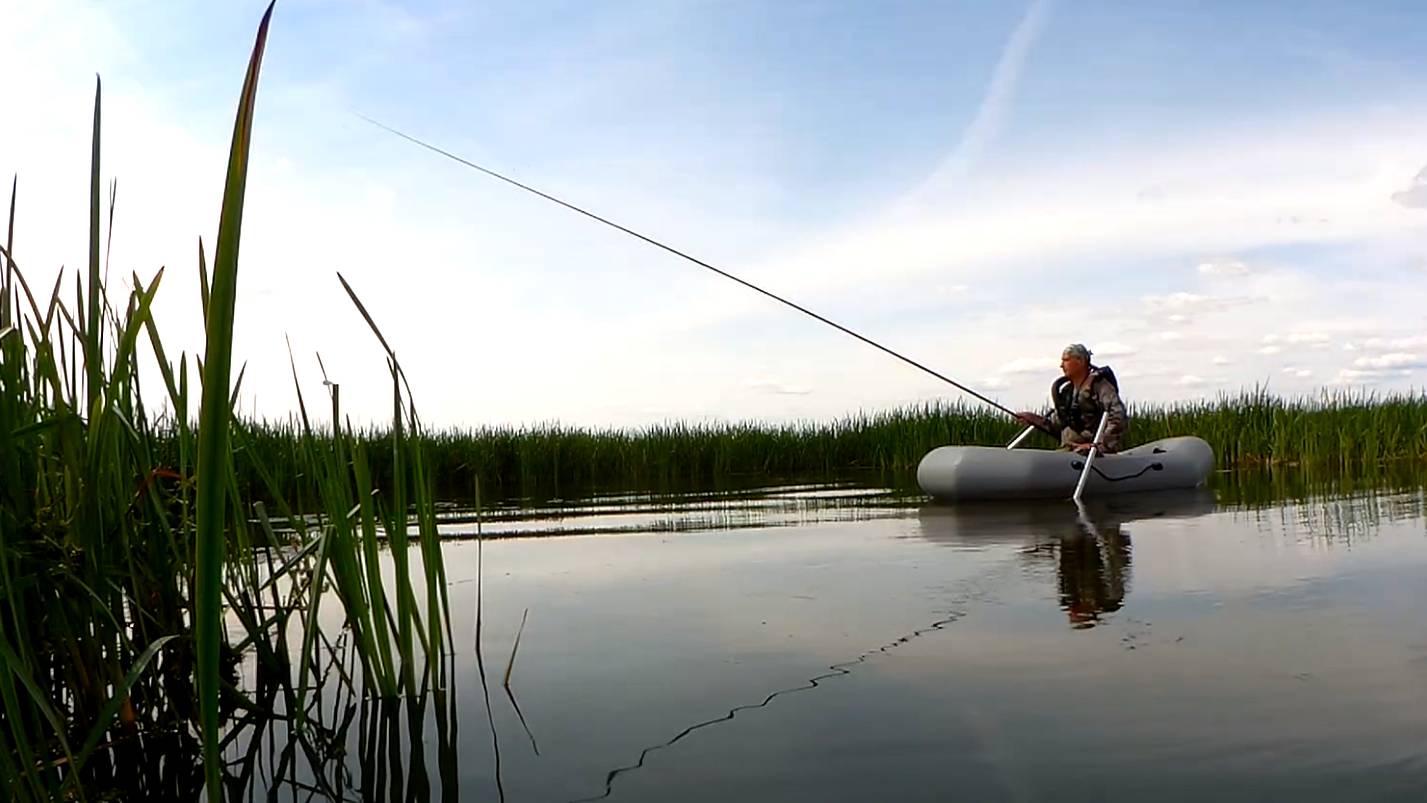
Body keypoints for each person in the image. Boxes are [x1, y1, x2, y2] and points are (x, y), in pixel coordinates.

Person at [1016, 343, 1127, 454]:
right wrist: (1033, 419)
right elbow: (1058, 426)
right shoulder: (1067, 392)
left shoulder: (1100, 386)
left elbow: (1117, 416)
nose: (1061, 365)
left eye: (1066, 360)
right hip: (1069, 451)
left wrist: (1101, 447)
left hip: (1091, 455)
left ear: (1080, 361)